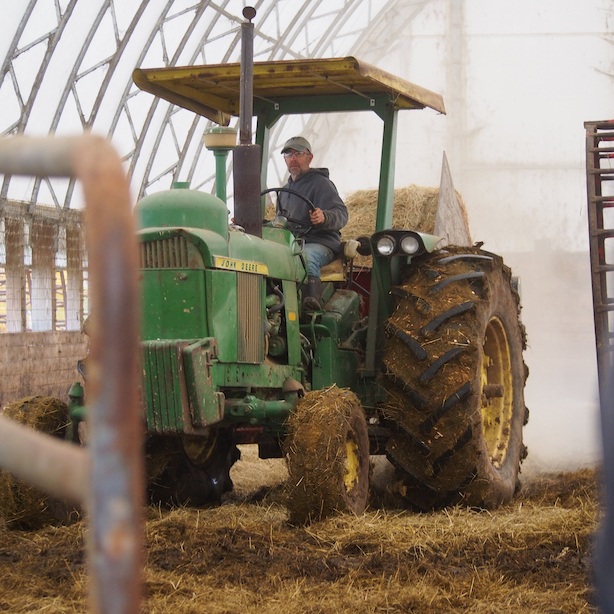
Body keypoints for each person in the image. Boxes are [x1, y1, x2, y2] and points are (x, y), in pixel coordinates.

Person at [278, 136, 348, 311]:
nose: (293, 158)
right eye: (288, 154)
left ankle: (310, 303)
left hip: (319, 243)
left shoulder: (321, 184)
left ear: (309, 158)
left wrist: (324, 216)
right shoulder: (285, 190)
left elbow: (342, 214)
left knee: (305, 257)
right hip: (292, 243)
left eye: (299, 153)